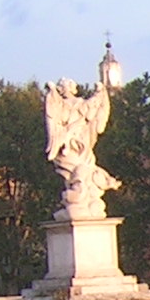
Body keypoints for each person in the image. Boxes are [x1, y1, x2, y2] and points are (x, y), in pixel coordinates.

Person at [45, 53, 122, 220]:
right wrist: (52, 92)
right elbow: (57, 116)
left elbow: (95, 109)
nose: (65, 89)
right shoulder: (61, 105)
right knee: (76, 169)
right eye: (63, 87)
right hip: (69, 142)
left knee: (84, 168)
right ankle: (82, 195)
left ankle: (88, 194)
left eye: (67, 86)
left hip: (81, 141)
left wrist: (100, 93)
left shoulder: (81, 103)